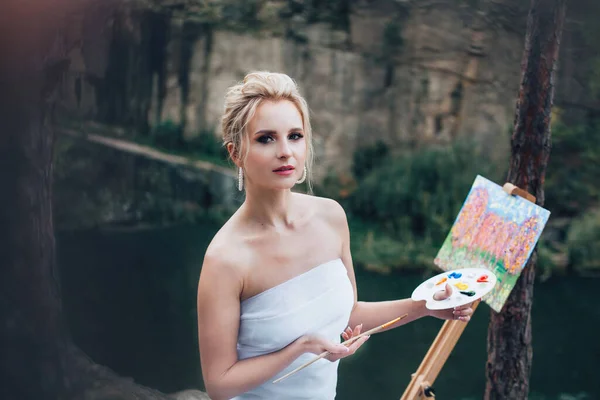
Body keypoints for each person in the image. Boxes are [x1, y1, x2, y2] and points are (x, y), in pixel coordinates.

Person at [196, 71, 473, 400]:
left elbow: (349, 313)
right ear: (236, 153)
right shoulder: (225, 259)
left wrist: (424, 306)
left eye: (295, 136)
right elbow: (219, 384)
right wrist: (300, 348)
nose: (286, 151)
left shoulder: (331, 216)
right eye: (266, 138)